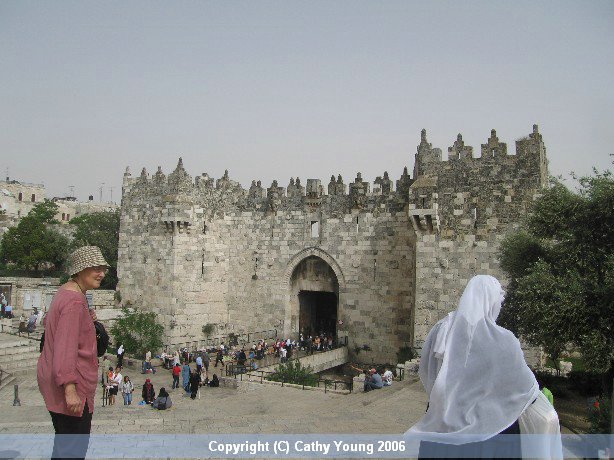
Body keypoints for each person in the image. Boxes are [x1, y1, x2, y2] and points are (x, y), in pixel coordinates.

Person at [406, 275, 562, 459]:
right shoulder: (504, 340)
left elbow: (427, 370)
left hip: (444, 420)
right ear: (491, 300)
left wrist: (444, 399)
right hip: (492, 427)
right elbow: (523, 388)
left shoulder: (442, 330)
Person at [37, 245, 109, 459]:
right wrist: (70, 390)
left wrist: (87, 320)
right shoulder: (74, 302)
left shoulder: (66, 293)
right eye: (95, 268)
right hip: (72, 386)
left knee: (64, 448)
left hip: (56, 381)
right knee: (72, 452)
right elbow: (65, 348)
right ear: (79, 270)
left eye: (103, 268)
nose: (102, 273)